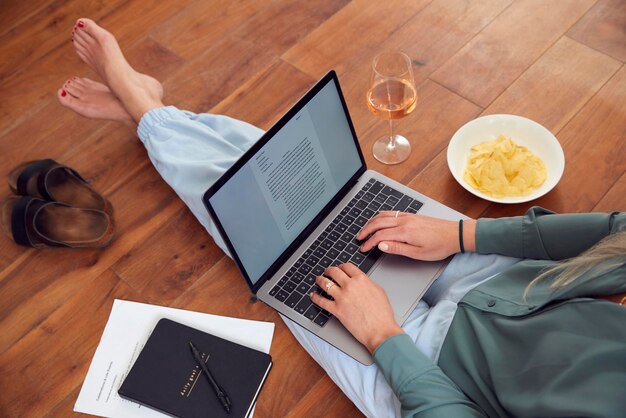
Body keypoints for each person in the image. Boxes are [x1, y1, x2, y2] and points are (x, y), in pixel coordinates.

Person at [59, 19, 626, 417]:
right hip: (524, 291)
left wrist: (382, 335)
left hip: (439, 380)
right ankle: (156, 114)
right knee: (324, 191)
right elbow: (618, 237)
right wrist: (459, 232)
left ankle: (147, 110)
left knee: (273, 242)